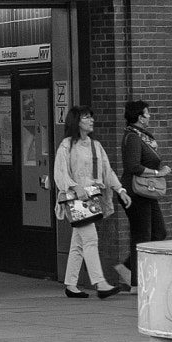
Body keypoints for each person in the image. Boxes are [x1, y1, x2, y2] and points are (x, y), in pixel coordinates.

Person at [53, 105, 130, 300]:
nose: (91, 121)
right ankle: (100, 283)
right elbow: (60, 173)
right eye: (87, 118)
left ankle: (71, 284)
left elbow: (107, 171)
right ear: (77, 122)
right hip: (77, 200)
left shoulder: (96, 145)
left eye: (91, 117)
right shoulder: (66, 145)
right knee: (90, 239)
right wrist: (74, 187)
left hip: (92, 198)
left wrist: (120, 189)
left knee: (78, 243)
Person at [119, 101, 168, 288]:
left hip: (147, 191)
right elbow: (133, 166)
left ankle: (127, 268)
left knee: (159, 232)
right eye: (147, 113)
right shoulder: (132, 137)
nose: (150, 116)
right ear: (139, 117)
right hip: (135, 191)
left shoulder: (143, 136)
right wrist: (158, 173)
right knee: (142, 235)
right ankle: (137, 283)